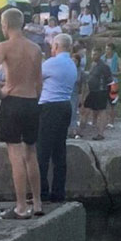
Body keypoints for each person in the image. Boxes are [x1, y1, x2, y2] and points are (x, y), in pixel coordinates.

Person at [0, 8, 43, 219]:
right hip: (31, 101)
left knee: (15, 155)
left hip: (12, 100)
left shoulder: (4, 46)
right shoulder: (35, 48)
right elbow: (39, 82)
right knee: (31, 153)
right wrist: (34, 98)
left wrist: (0, 94)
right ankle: (37, 202)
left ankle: (21, 206)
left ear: (5, 25)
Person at [37, 34, 77, 203]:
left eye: (53, 45)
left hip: (50, 106)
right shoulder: (72, 64)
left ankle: (42, 191)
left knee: (43, 151)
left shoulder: (52, 63)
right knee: (59, 150)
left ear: (58, 45)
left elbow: (35, 78)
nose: (51, 49)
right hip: (65, 105)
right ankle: (58, 192)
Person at [80, 47, 113, 141]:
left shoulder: (104, 66)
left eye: (95, 54)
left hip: (101, 91)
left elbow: (109, 80)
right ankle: (79, 132)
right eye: (92, 54)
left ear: (99, 55)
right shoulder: (93, 65)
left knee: (102, 111)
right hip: (92, 91)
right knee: (85, 111)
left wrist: (109, 93)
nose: (93, 56)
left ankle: (101, 133)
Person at [101, 43, 121, 128]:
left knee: (112, 103)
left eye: (108, 49)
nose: (106, 51)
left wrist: (113, 73)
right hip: (103, 82)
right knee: (103, 103)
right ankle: (104, 121)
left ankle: (111, 122)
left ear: (112, 50)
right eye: (106, 49)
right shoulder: (102, 59)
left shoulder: (118, 59)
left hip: (113, 82)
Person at [69, 52, 84, 138]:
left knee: (74, 112)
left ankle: (73, 130)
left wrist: (81, 96)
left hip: (75, 94)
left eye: (75, 61)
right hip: (66, 93)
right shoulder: (67, 70)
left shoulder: (80, 72)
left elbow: (82, 85)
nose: (74, 62)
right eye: (72, 60)